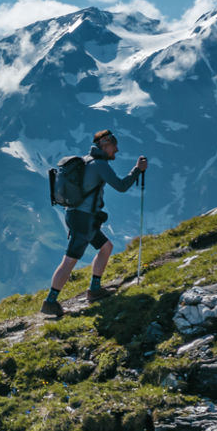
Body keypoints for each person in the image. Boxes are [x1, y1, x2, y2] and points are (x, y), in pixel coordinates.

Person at [41, 129, 148, 316]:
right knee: (69, 260)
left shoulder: (86, 161)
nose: (117, 149)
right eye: (113, 144)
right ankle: (50, 302)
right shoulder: (100, 165)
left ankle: (95, 290)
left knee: (106, 246)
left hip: (76, 215)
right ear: (104, 145)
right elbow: (121, 186)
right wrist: (137, 170)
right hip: (84, 219)